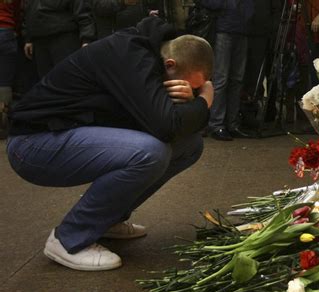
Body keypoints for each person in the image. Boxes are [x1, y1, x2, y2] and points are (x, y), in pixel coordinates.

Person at [6, 17, 214, 271]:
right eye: (185, 84)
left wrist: (194, 100)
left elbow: (173, 126)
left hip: (65, 134)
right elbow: (165, 125)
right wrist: (204, 100)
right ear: (170, 64)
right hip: (32, 144)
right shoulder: (132, 56)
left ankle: (106, 220)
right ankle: (69, 238)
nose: (187, 92)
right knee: (150, 152)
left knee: (190, 145)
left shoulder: (151, 56)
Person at [200, 0, 254, 141]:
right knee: (221, 79)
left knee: (237, 79)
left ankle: (232, 124)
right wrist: (226, 5)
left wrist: (247, 14)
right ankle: (217, 125)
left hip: (242, 30)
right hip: (223, 29)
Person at [23, 0, 96, 77]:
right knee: (46, 81)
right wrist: (28, 38)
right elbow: (29, 10)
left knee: (67, 78)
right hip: (39, 40)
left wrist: (87, 39)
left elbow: (83, 13)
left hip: (63, 38)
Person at [0, 0, 21, 139]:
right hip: (7, 33)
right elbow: (18, 12)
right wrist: (17, 31)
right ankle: (3, 120)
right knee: (4, 83)